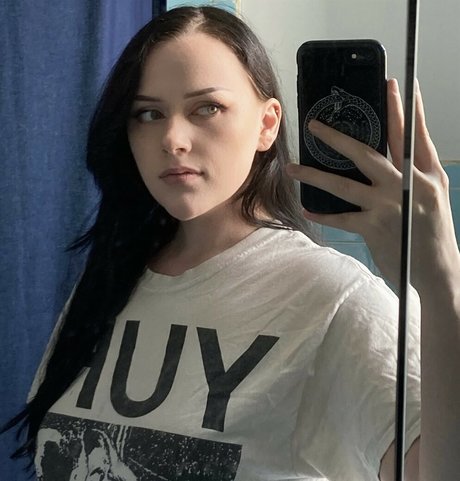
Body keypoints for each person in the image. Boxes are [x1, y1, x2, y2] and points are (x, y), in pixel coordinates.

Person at [2, 5, 459, 481]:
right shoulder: (109, 281)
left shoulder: (335, 301)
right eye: (149, 113)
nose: (173, 139)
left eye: (207, 108)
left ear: (267, 125)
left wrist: (443, 286)